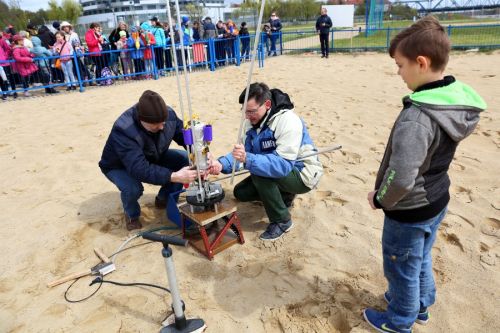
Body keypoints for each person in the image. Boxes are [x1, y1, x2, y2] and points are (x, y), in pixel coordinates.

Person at [363, 16, 486, 333]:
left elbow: (402, 177)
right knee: (419, 257)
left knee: (401, 266)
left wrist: (380, 198)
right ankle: (420, 306)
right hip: (436, 198)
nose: (398, 73)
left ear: (421, 62)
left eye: (400, 65)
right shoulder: (452, 101)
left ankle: (399, 320)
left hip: (409, 208)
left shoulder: (418, 117)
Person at [209, 83, 323, 241]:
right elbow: (242, 152)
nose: (247, 116)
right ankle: (284, 194)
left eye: (251, 111)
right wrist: (221, 164)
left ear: (267, 105)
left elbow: (282, 165)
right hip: (276, 170)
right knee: (241, 193)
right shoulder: (251, 123)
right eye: (244, 111)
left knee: (259, 171)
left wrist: (249, 159)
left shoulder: (288, 120)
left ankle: (282, 221)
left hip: (301, 173)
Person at [99, 90, 198, 231]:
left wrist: (200, 152)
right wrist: (175, 176)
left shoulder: (168, 115)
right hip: (118, 166)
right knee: (133, 188)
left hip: (153, 155)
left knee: (184, 159)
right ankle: (131, 215)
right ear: (142, 120)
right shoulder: (124, 130)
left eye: (163, 122)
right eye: (156, 125)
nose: (162, 127)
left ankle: (164, 198)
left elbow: (183, 136)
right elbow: (139, 169)